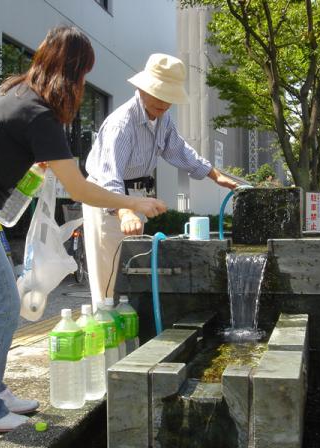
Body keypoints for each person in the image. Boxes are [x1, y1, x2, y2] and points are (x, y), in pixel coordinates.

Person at [0, 26, 166, 433]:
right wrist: (132, 202)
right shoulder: (39, 113)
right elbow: (78, 187)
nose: (84, 83)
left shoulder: (13, 91)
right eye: (83, 74)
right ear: (72, 71)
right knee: (3, 308)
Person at [83, 53, 239, 306]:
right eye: (160, 97)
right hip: (108, 198)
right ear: (142, 89)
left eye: (169, 99)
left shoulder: (162, 118)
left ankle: (129, 335)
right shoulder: (122, 123)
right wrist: (125, 212)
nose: (164, 105)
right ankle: (107, 341)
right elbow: (109, 174)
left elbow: (178, 149)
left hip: (134, 198)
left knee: (132, 272)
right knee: (109, 277)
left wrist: (215, 175)